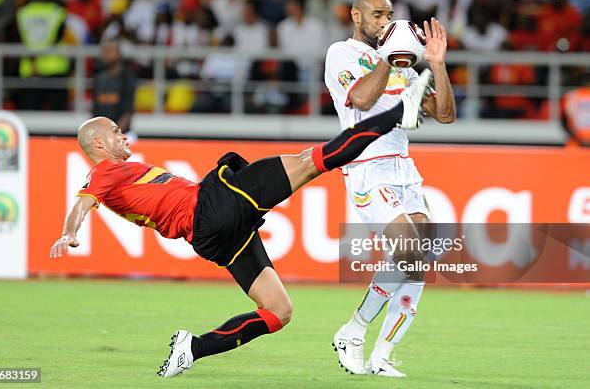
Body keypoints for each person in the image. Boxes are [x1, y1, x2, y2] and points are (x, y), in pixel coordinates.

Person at [49, 67, 431, 378]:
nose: (121, 133)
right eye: (115, 131)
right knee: (320, 158)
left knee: (278, 312)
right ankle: (402, 111)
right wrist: (69, 232)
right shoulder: (104, 173)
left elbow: (90, 198)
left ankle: (192, 349)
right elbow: (83, 204)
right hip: (215, 205)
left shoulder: (115, 173)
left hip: (209, 236)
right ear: (99, 144)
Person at [325, 0, 456, 378]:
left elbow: (445, 114)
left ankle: (382, 355)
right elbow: (362, 101)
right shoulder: (341, 54)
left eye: (389, 15)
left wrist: (436, 63)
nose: (384, 21)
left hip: (403, 167)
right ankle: (354, 330)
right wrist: (389, 57)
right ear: (356, 16)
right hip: (366, 166)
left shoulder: (406, 64)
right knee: (410, 250)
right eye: (377, 15)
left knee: (416, 264)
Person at [92, 39, 136, 140]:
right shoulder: (99, 78)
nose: (106, 55)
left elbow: (128, 112)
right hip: (101, 136)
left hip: (124, 135)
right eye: (104, 51)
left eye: (110, 51)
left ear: (119, 53)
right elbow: (95, 111)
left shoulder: (127, 77)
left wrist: (114, 135)